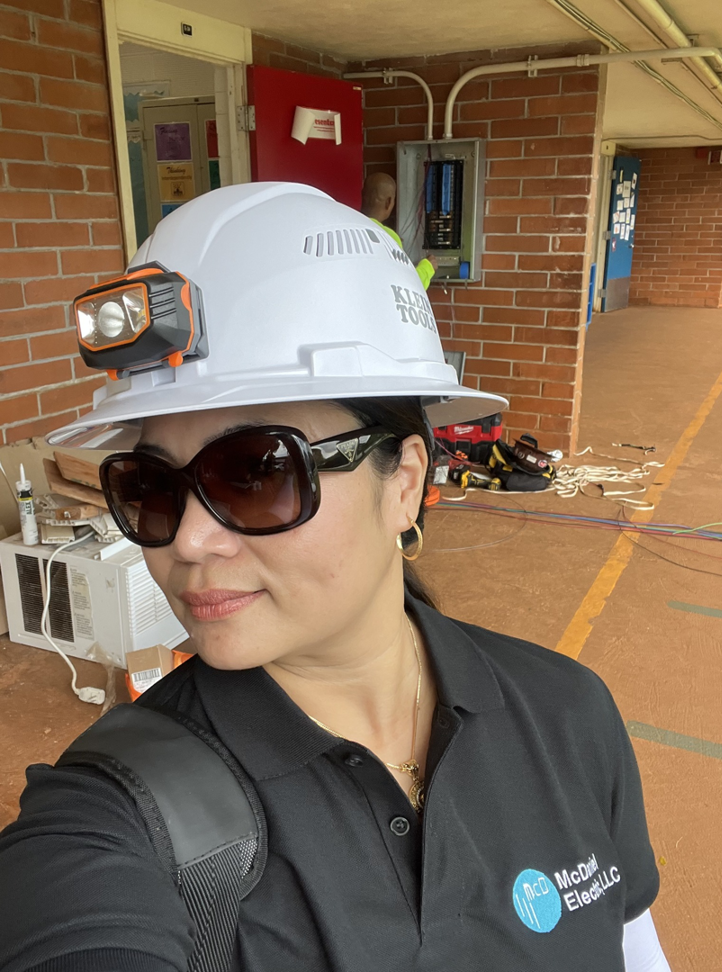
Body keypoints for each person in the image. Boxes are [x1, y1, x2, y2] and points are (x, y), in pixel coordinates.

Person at [0, 183, 671, 972]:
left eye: (254, 472)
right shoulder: (117, 811)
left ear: (404, 482)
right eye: (148, 485)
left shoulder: (566, 714)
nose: (186, 538)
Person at [362, 171, 438, 289]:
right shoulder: (388, 237)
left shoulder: (345, 226)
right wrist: (427, 267)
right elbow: (406, 286)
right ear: (388, 203)